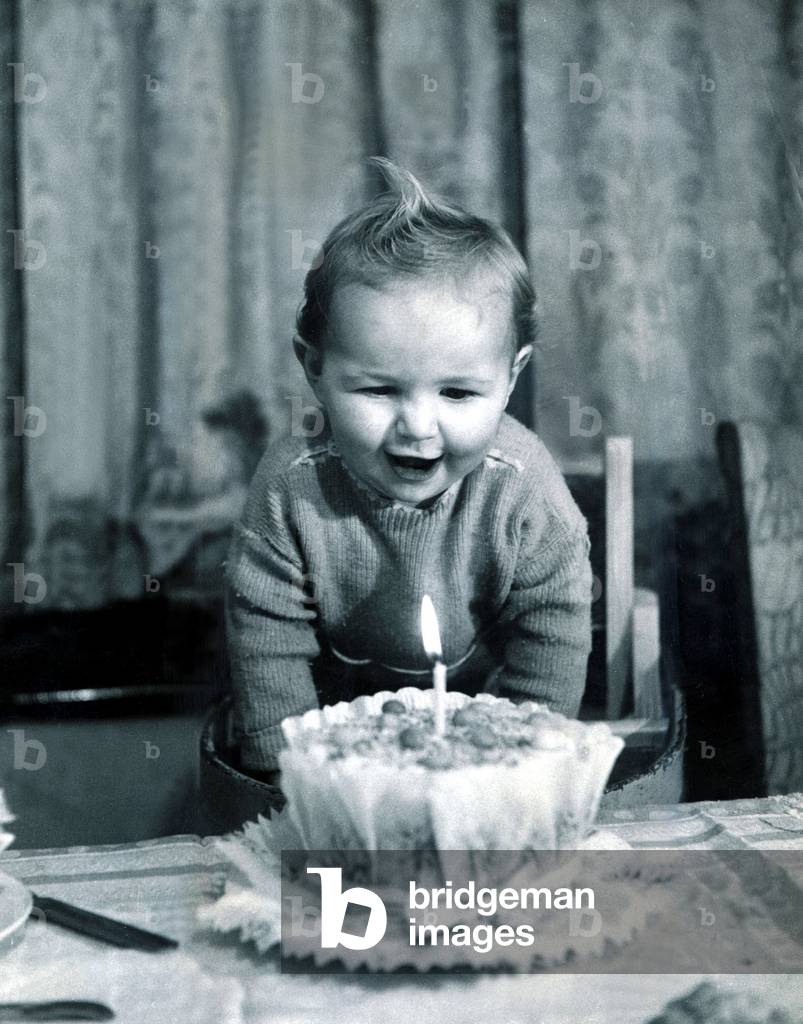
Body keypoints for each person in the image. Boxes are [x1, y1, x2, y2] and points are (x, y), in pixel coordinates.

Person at [226, 159, 592, 776]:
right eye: (378, 391)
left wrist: (519, 765)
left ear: (510, 378)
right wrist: (287, 774)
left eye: (457, 394)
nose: (418, 427)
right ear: (313, 366)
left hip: (484, 722)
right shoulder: (292, 487)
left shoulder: (525, 492)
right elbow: (266, 636)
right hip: (332, 739)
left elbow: (552, 636)